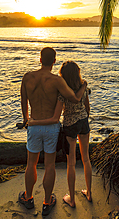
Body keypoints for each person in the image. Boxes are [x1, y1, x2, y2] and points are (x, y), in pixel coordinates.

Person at [18, 47, 86, 216]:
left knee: (31, 164)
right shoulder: (56, 81)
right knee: (49, 165)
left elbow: (23, 101)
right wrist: (84, 86)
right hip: (51, 128)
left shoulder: (27, 77)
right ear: (54, 61)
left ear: (40, 59)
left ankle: (28, 198)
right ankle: (47, 202)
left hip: (34, 125)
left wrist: (27, 120)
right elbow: (75, 98)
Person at [29, 60, 92, 208]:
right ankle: (89, 193)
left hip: (70, 125)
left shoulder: (62, 92)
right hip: (83, 122)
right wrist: (83, 118)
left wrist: (36, 121)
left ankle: (72, 198)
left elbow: (56, 114)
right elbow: (87, 108)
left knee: (71, 163)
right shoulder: (84, 87)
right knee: (86, 159)